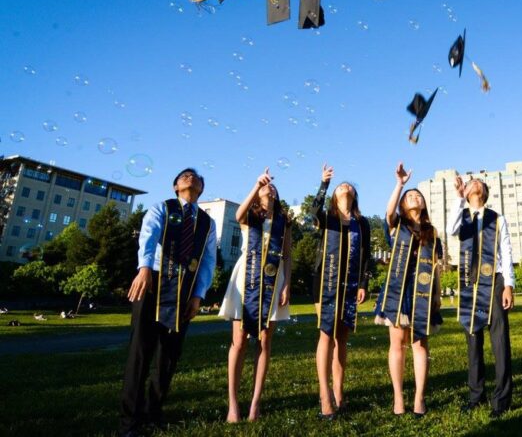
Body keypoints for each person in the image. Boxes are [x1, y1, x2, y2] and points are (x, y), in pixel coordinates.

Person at [119, 168, 217, 437]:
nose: (190, 177)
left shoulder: (207, 223)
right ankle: (130, 421)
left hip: (184, 289)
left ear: (201, 189)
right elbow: (147, 237)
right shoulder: (161, 208)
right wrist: (144, 269)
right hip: (153, 283)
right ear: (175, 186)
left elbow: (208, 261)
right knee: (140, 352)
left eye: (195, 176)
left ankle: (154, 413)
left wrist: (198, 295)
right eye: (184, 176)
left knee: (169, 356)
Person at [218, 168, 292, 422]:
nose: (268, 188)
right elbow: (238, 213)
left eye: (270, 187)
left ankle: (255, 404)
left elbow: (288, 255)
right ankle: (233, 405)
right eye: (263, 187)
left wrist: (287, 285)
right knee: (239, 342)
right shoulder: (249, 216)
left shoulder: (284, 220)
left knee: (264, 342)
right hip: (246, 279)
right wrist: (255, 184)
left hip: (274, 281)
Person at [374, 163, 442, 417]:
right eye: (409, 196)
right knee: (397, 344)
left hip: (423, 292)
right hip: (398, 290)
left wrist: (436, 296)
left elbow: (436, 267)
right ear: (404, 204)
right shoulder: (397, 226)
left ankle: (419, 398)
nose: (415, 196)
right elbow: (388, 212)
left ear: (424, 204)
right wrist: (400, 184)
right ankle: (398, 397)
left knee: (420, 344)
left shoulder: (432, 232)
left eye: (418, 195)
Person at [449, 175, 515, 418]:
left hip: (495, 281)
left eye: (479, 181)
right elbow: (450, 230)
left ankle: (502, 399)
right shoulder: (462, 217)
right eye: (471, 181)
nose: (474, 181)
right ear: (466, 192)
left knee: (499, 340)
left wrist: (509, 285)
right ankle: (476, 396)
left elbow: (506, 252)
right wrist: (458, 198)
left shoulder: (497, 219)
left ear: (485, 191)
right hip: (469, 283)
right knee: (472, 339)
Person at [310, 164, 371, 419]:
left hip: (350, 286)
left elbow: (366, 255)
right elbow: (313, 210)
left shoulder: (362, 223)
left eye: (348, 185)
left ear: (354, 195)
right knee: (326, 335)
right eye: (339, 186)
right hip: (324, 284)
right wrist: (323, 184)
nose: (344, 186)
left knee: (342, 339)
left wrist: (364, 283)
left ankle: (339, 393)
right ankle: (325, 397)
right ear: (334, 196)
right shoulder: (327, 219)